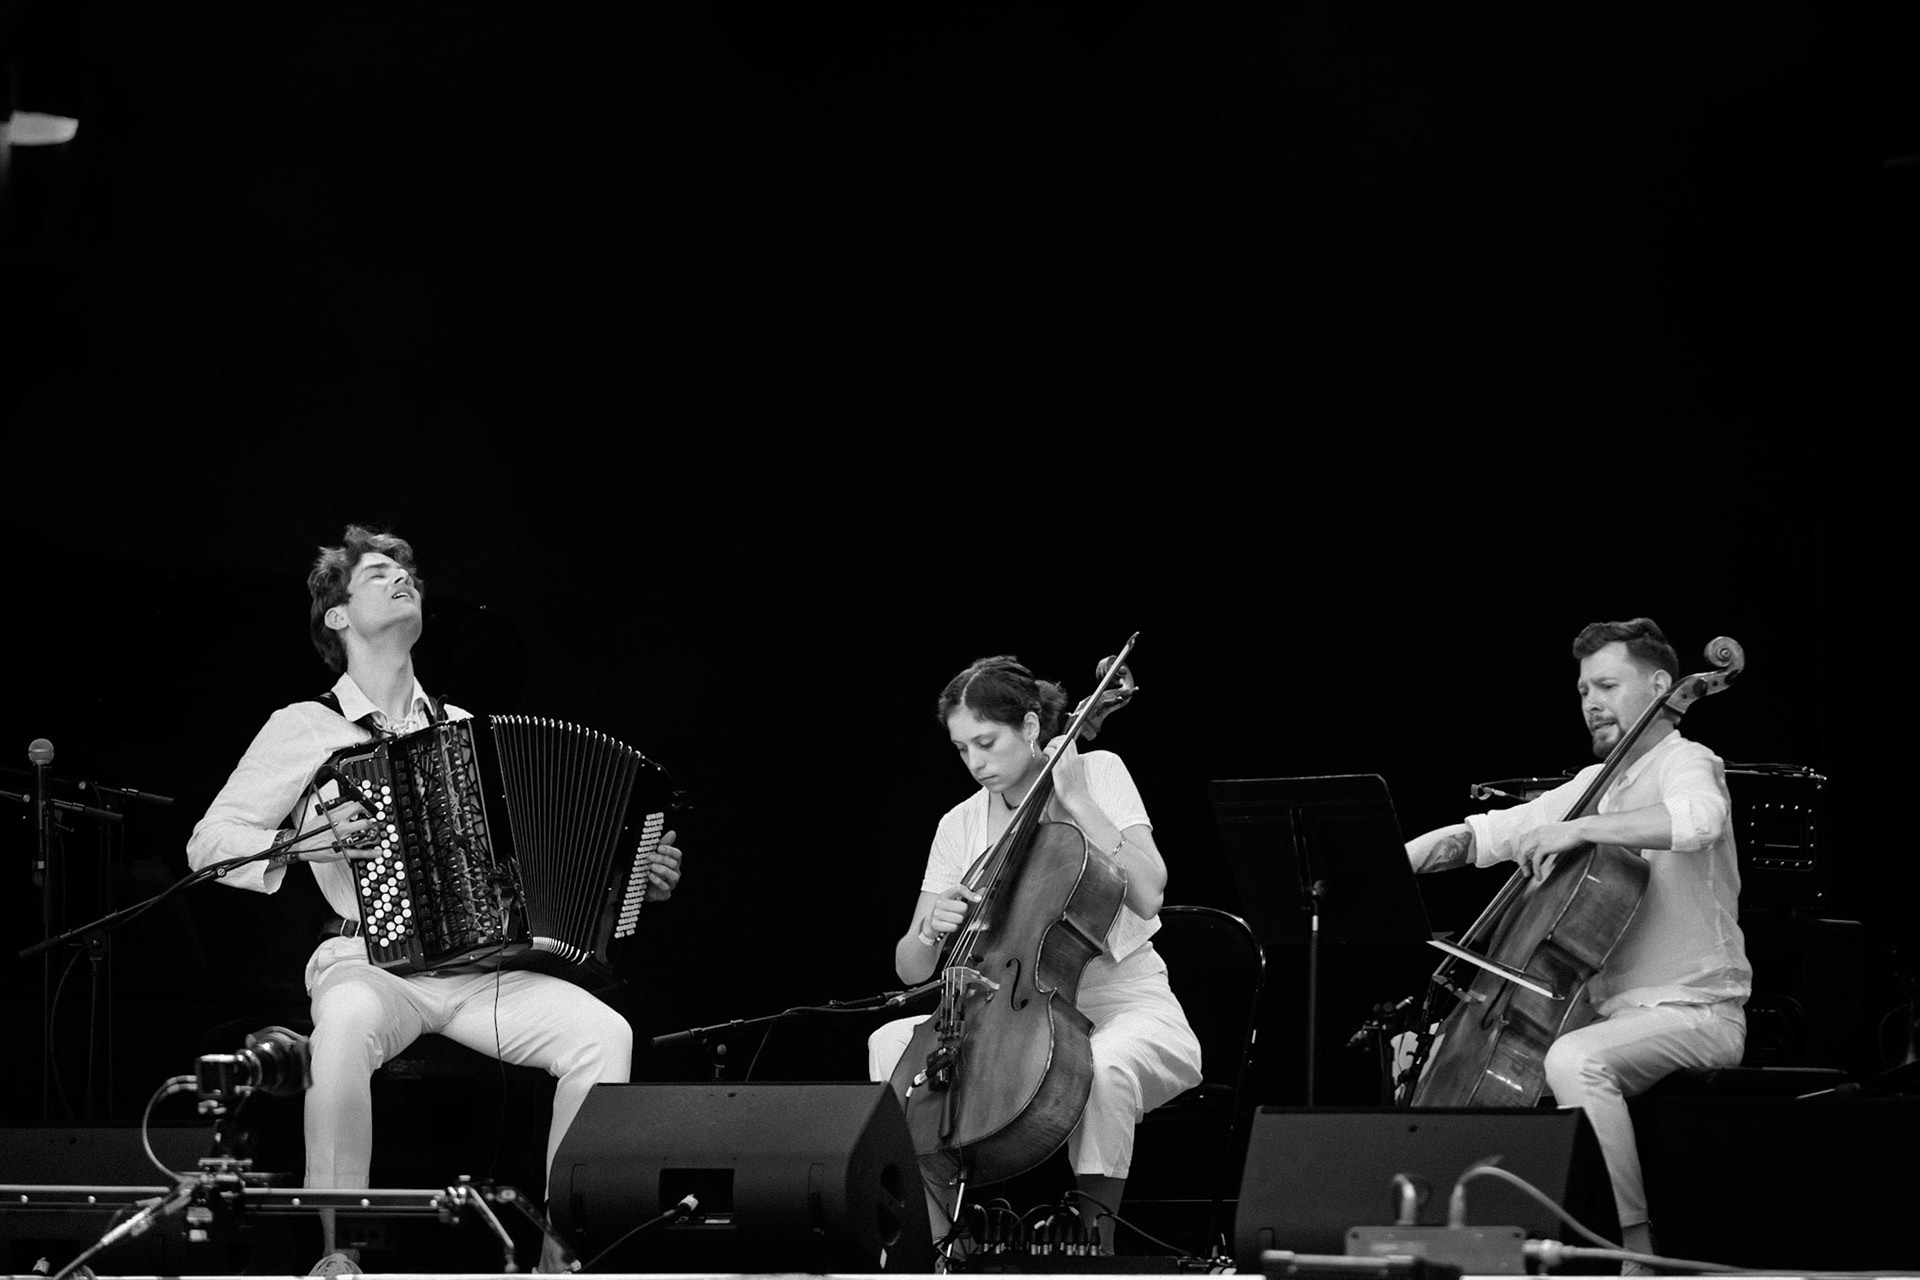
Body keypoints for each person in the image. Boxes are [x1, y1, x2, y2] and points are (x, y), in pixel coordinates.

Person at [187, 525, 682, 1275]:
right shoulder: (305, 726)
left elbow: (527, 865)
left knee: (603, 1034)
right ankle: (335, 1249)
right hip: (369, 958)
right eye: (379, 574)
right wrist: (302, 843)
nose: (402, 580)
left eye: (407, 573)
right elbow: (209, 842)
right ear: (337, 616)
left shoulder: (465, 731)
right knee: (344, 1025)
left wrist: (634, 871)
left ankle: (562, 1252)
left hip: (479, 966)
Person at [1403, 617, 1748, 1268]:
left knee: (1571, 1060)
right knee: (1448, 1053)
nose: (1590, 700)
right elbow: (1492, 833)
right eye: (1584, 688)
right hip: (1617, 1014)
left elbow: (1698, 821)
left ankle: (1636, 1254)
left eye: (1607, 684)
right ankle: (1477, 1243)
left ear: (1659, 685)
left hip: (1697, 1011)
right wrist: (1392, 859)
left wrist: (1583, 829)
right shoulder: (1596, 789)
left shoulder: (1687, 762)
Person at [866, 655, 1203, 1255]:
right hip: (1003, 1009)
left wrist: (1078, 802)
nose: (975, 763)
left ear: (1029, 727)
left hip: (1123, 1000)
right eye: (961, 748)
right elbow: (911, 969)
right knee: (889, 1045)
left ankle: (1092, 1241)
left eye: (986, 742)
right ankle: (943, 1243)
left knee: (1103, 1065)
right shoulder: (960, 824)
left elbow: (1149, 894)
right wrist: (930, 931)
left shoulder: (1098, 772)